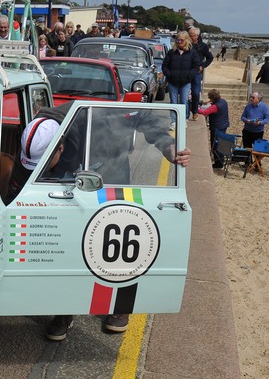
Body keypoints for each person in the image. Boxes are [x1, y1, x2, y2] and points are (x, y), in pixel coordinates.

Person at [40, 101, 191, 340]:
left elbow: (149, 121)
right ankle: (65, 309)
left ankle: (120, 307)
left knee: (120, 241)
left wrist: (170, 147)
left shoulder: (118, 110)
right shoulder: (56, 119)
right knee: (71, 243)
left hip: (115, 180)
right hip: (74, 180)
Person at [162, 31, 200, 124]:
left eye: (181, 40)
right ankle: (174, 121)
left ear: (186, 40)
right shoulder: (171, 52)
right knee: (173, 102)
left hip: (186, 82)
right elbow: (164, 66)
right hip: (172, 81)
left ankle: (183, 120)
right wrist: (169, 74)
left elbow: (196, 66)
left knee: (184, 101)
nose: (179, 42)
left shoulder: (192, 53)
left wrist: (189, 76)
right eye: (177, 40)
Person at [198, 89, 230, 168]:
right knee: (221, 143)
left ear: (212, 97)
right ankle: (221, 160)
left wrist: (196, 108)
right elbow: (214, 103)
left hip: (216, 127)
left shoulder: (215, 106)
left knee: (215, 144)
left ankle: (218, 163)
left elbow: (204, 112)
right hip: (224, 125)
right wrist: (209, 102)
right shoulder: (223, 101)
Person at [187, 27, 214, 121]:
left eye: (192, 35)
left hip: (197, 73)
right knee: (185, 93)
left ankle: (195, 111)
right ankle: (186, 114)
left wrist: (202, 66)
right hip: (186, 71)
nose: (190, 37)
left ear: (197, 36)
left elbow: (210, 58)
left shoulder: (203, 46)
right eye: (189, 35)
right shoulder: (186, 44)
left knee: (195, 92)